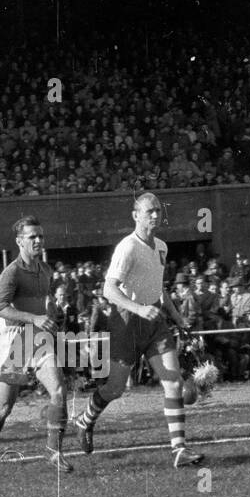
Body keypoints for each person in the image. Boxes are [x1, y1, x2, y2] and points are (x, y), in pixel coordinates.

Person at [74, 194, 206, 469]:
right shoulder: (127, 248)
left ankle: (179, 449)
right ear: (136, 215)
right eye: (149, 211)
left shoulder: (161, 246)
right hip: (126, 322)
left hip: (154, 321)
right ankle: (85, 420)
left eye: (158, 211)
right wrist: (138, 308)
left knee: (172, 381)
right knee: (115, 389)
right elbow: (108, 290)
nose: (155, 216)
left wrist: (178, 316)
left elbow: (159, 288)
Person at [0, 218, 72, 475]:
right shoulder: (11, 272)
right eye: (32, 237)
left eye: (40, 236)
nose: (38, 241)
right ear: (19, 241)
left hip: (40, 338)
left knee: (59, 391)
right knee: (4, 407)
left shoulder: (45, 270)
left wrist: (50, 312)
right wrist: (34, 317)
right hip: (16, 341)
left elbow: (41, 302)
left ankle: (53, 451)